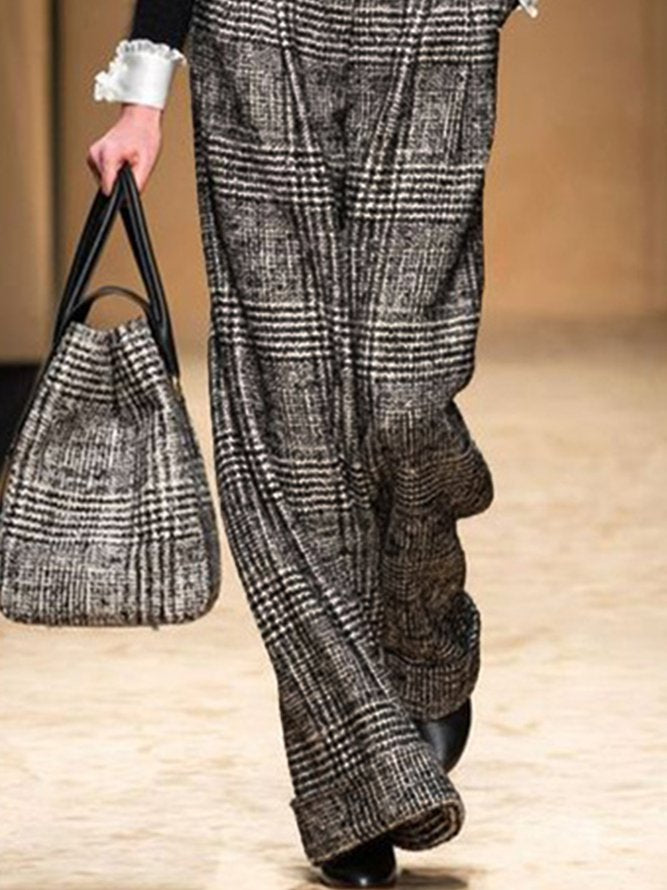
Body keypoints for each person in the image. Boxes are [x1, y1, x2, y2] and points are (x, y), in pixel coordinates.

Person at [88, 1, 538, 886]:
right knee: (290, 419)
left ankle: (422, 633)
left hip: (431, 21)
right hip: (257, 26)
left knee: (405, 397)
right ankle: (349, 780)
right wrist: (145, 88)